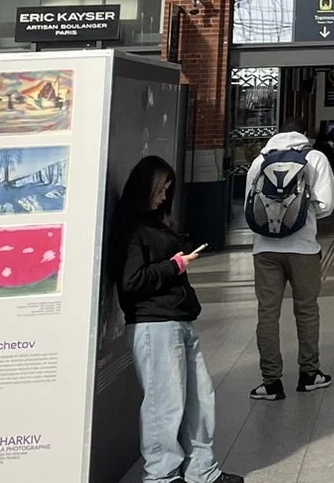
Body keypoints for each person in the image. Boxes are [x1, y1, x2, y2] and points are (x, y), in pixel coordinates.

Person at [112, 156, 243, 483]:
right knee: (165, 404)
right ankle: (162, 476)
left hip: (178, 318)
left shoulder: (155, 223)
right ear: (145, 188)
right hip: (153, 323)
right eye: (160, 189)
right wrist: (175, 265)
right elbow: (130, 281)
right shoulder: (131, 228)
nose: (163, 196)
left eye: (168, 190)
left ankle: (202, 469)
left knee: (199, 398)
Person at [245, 127, 334, 399]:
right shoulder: (315, 158)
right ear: (305, 135)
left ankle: (271, 382)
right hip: (304, 248)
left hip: (264, 249)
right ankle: (310, 374)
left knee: (267, 314)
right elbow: (327, 205)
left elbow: (248, 208)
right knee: (307, 310)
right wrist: (301, 217)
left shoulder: (259, 161)